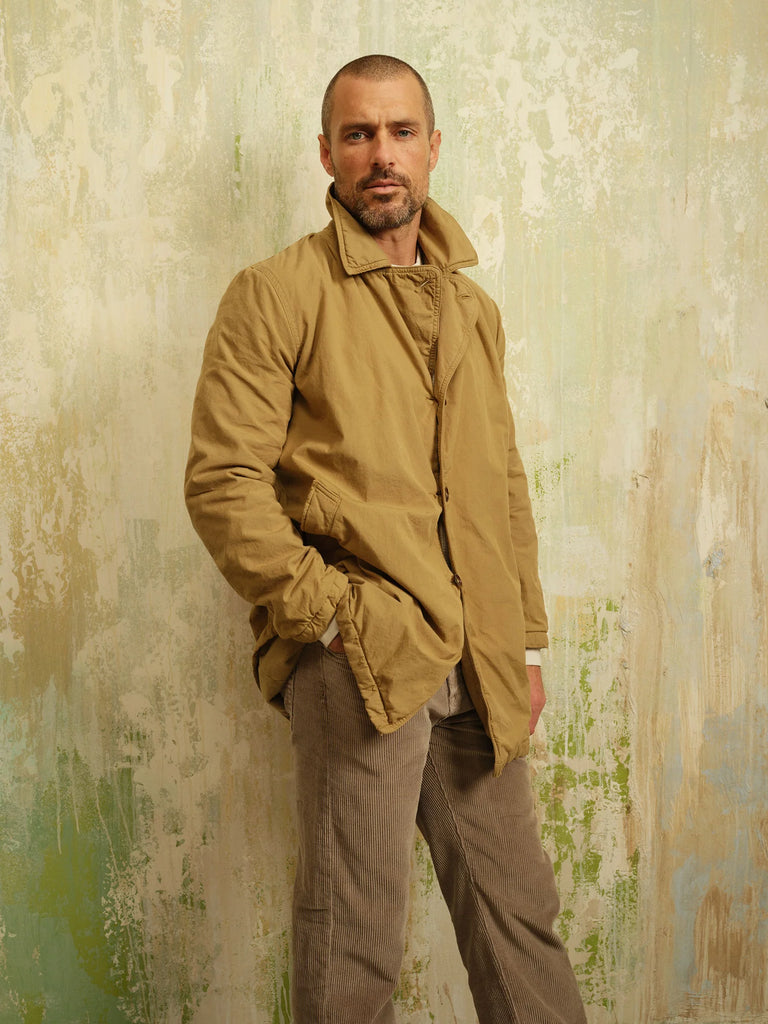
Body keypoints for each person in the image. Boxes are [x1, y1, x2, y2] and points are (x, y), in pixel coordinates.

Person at [185, 54, 586, 1024]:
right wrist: (333, 617)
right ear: (327, 153)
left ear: (433, 147)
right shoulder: (274, 293)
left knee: (518, 916)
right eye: (358, 134)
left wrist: (525, 647)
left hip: (478, 652)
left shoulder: (472, 311)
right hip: (358, 655)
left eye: (401, 132)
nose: (382, 155)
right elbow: (224, 482)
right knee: (355, 932)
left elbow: (502, 486)